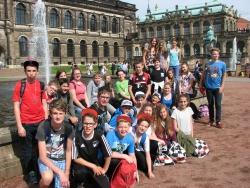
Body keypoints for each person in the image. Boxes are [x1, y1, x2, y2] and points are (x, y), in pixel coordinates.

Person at [12, 60, 48, 184]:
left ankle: (40, 170)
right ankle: (31, 173)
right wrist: (19, 126)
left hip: (40, 122)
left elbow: (44, 103)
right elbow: (16, 106)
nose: (31, 73)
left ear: (37, 72)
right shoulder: (20, 85)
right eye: (29, 71)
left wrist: (46, 121)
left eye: (33, 71)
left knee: (40, 149)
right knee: (28, 151)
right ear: (25, 71)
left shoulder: (41, 85)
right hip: (26, 123)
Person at [36, 99, 74, 188]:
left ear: (65, 114)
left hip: (61, 160)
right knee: (47, 179)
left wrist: (67, 173)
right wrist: (60, 172)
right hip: (47, 159)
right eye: (55, 113)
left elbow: (68, 151)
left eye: (61, 113)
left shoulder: (69, 128)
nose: (58, 117)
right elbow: (42, 156)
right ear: (50, 114)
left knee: (64, 185)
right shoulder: (43, 127)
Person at [71, 108, 112, 188]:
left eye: (91, 124)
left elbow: (108, 154)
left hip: (94, 164)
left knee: (105, 186)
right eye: (85, 123)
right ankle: (80, 184)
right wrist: (92, 166)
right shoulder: (76, 136)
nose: (88, 126)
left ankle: (91, 181)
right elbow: (75, 158)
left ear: (95, 125)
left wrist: (104, 170)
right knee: (80, 174)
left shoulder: (99, 135)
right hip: (80, 165)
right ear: (82, 123)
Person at [106, 114, 138, 183]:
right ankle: (109, 178)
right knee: (115, 161)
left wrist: (135, 171)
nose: (123, 129)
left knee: (127, 161)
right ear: (117, 127)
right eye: (121, 127)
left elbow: (132, 155)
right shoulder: (110, 134)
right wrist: (124, 156)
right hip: (105, 160)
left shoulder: (130, 138)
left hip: (117, 157)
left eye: (126, 127)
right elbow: (108, 153)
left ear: (129, 128)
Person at [199, 48, 226, 128]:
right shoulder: (207, 64)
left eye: (216, 54)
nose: (215, 55)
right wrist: (200, 84)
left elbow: (224, 75)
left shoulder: (222, 64)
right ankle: (211, 120)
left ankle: (218, 121)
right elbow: (203, 75)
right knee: (210, 104)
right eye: (214, 54)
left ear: (218, 55)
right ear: (211, 55)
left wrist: (222, 86)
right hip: (209, 87)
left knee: (218, 104)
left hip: (218, 87)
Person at [133, 113, 155, 178]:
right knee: (135, 152)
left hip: (138, 151)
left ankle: (139, 164)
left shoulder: (145, 137)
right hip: (128, 151)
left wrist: (149, 171)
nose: (143, 128)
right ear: (137, 125)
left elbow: (147, 154)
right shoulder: (131, 131)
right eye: (141, 125)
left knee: (150, 167)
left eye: (145, 127)